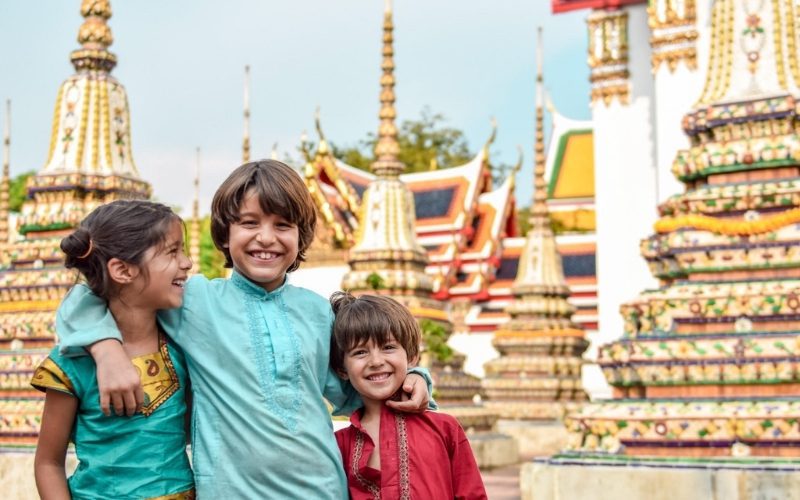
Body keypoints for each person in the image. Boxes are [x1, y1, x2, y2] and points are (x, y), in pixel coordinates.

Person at [54, 160, 433, 498]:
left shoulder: (319, 313)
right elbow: (90, 293)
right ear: (224, 233)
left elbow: (357, 386)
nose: (266, 238)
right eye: (249, 223)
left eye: (282, 225)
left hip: (323, 488)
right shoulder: (194, 300)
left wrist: (412, 378)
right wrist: (106, 350)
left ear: (300, 237)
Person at [32, 200, 194, 499]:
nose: (187, 263)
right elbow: (47, 462)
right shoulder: (74, 363)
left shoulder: (185, 346)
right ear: (122, 270)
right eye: (173, 252)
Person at [330, 292, 487, 500]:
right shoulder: (339, 445)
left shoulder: (445, 429)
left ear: (412, 357)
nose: (376, 361)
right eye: (360, 352)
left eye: (388, 347)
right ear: (342, 368)